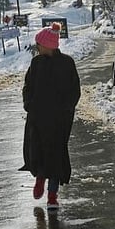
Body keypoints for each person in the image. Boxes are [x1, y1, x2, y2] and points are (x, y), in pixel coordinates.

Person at [19, 23, 80, 210]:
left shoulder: (67, 63)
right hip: (38, 117)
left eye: (39, 44)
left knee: (56, 155)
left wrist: (68, 108)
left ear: (48, 45)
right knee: (37, 151)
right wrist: (28, 104)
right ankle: (39, 179)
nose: (37, 48)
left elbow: (74, 90)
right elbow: (27, 86)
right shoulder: (36, 63)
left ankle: (52, 195)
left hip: (60, 120)